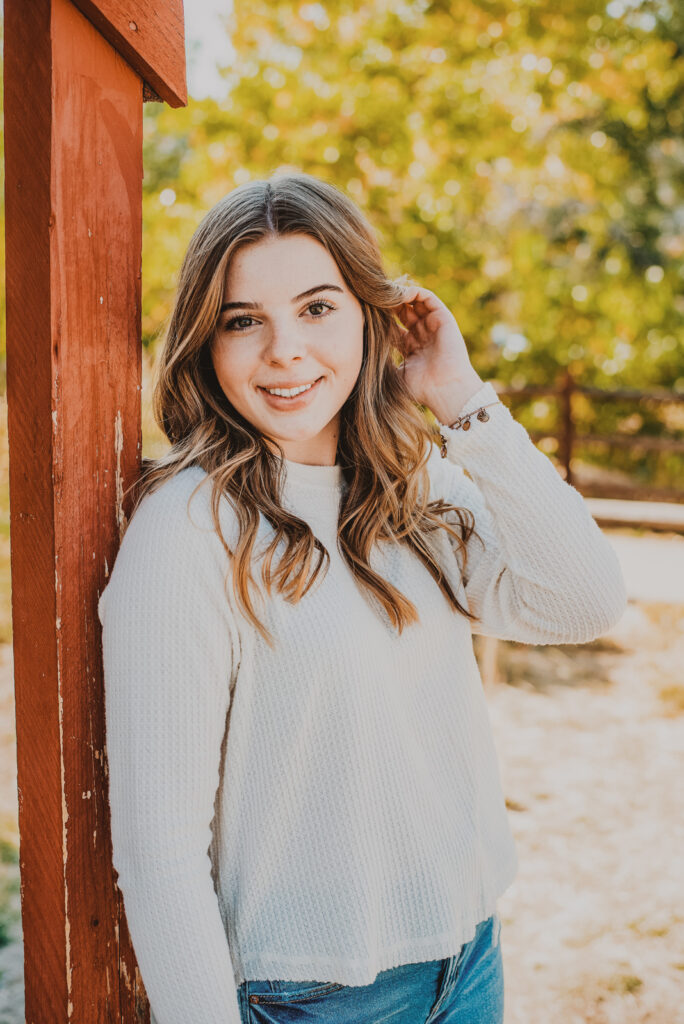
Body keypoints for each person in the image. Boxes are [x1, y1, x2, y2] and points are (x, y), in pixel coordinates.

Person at [98, 170, 627, 1024]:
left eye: (317, 308)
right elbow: (160, 852)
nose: (286, 351)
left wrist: (461, 400)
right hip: (312, 999)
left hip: (469, 961)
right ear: (206, 341)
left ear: (370, 317)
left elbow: (584, 600)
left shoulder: (412, 485)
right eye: (243, 320)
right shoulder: (189, 532)